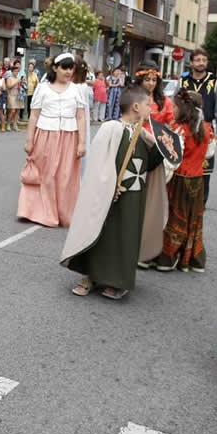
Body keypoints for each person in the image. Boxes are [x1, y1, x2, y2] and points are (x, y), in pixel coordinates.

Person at [61, 86, 166, 299]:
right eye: (148, 105)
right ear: (136, 107)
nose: (151, 109)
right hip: (112, 193)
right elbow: (99, 163)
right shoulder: (111, 128)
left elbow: (149, 165)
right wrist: (108, 186)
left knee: (125, 237)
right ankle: (91, 275)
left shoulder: (144, 134)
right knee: (102, 232)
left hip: (134, 196)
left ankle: (119, 280)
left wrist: (163, 149)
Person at [17, 54, 86, 228]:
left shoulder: (77, 89)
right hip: (45, 134)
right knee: (46, 174)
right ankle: (43, 212)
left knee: (66, 176)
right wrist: (29, 141)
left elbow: (81, 117)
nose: (69, 71)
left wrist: (82, 143)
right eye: (65, 67)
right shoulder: (43, 88)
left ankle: (64, 213)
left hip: (69, 136)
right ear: (55, 68)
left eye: (71, 68)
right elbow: (34, 116)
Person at [148, 90, 213, 272]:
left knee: (174, 217)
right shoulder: (206, 128)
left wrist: (163, 179)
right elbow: (209, 152)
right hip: (197, 179)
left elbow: (173, 158)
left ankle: (167, 258)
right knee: (193, 218)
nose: (173, 109)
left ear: (184, 108)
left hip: (179, 179)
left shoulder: (179, 130)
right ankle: (192, 258)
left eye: (175, 106)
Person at [180, 48, 217, 204]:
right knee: (183, 168)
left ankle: (200, 206)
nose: (201, 63)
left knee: (204, 173)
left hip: (206, 131)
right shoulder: (183, 81)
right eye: (198, 60)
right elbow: (176, 105)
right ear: (192, 62)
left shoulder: (215, 82)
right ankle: (182, 205)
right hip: (185, 129)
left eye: (204, 60)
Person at [135, 62, 173, 126]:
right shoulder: (132, 98)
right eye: (147, 79)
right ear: (140, 81)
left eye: (154, 80)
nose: (151, 83)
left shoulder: (164, 101)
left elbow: (173, 123)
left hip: (158, 135)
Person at [5, 62, 23, 131]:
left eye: (17, 71)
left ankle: (15, 124)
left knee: (17, 111)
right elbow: (9, 86)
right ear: (12, 72)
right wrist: (17, 81)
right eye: (15, 71)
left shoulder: (19, 78)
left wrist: (22, 83)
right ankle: (8, 124)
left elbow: (21, 87)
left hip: (18, 95)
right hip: (11, 95)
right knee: (12, 110)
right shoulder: (9, 78)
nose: (16, 72)